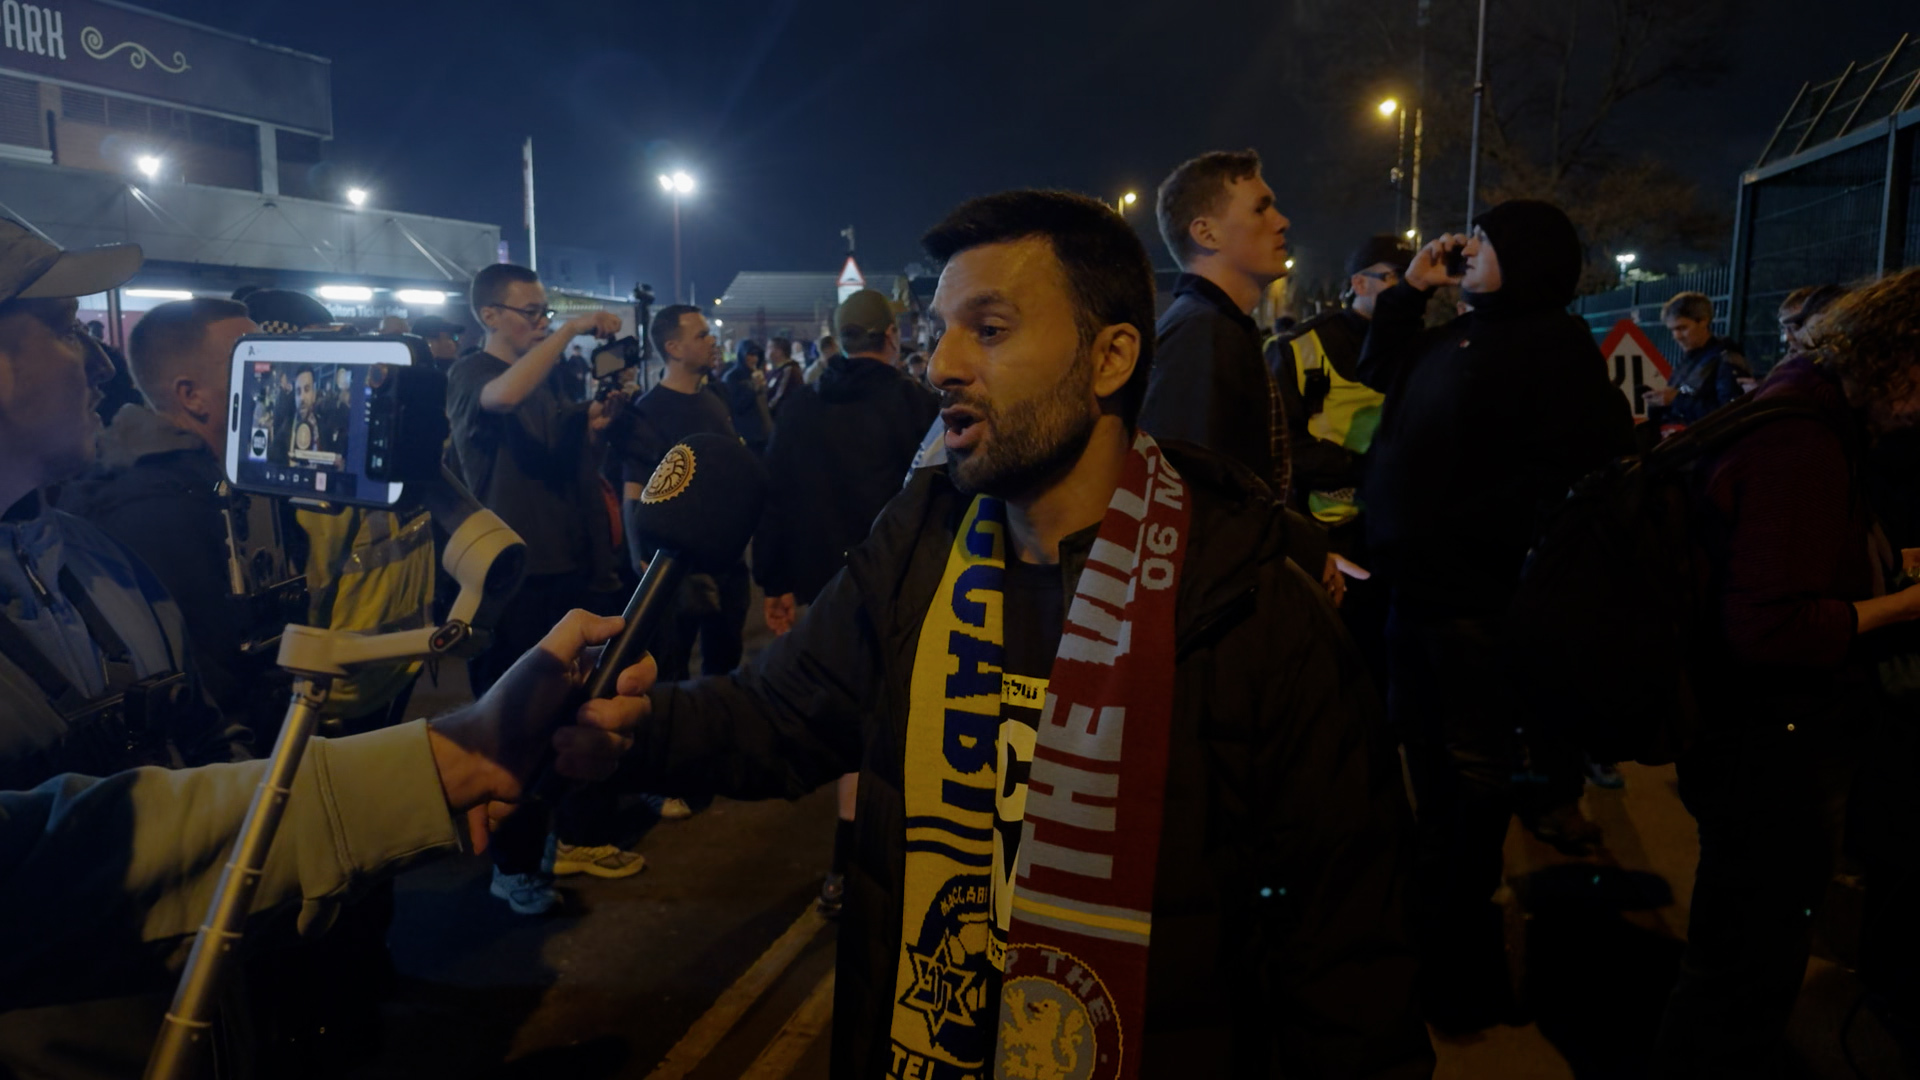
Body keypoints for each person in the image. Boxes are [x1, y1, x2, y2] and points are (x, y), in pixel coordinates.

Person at [612, 190, 1429, 1078]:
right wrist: (629, 730)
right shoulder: (915, 548)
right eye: (939, 331)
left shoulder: (1247, 601)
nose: (942, 367)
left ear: (1111, 357)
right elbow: (777, 715)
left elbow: (1348, 964)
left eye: (989, 331)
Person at [3, 606, 652, 1011]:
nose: (101, 373)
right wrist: (458, 759)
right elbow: (43, 872)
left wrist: (463, 758)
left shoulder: (95, 558)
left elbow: (204, 739)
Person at [1359, 199, 1635, 1032]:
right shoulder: (1450, 337)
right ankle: (1432, 903)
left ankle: (1459, 934)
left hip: (1480, 603)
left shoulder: (1554, 345)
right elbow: (1379, 367)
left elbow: (1593, 471)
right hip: (1412, 594)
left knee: (1474, 771)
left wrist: (1510, 541)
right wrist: (1413, 290)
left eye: (1485, 238)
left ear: (1529, 257)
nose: (1465, 246)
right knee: (1423, 761)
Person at [1652, 267, 1920, 1076]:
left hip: (1755, 737)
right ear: (1896, 358)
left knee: (1739, 953)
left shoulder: (1801, 405)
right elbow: (1768, 625)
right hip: (1772, 744)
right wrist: (1905, 607)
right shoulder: (1802, 439)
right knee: (1745, 967)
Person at [446, 263, 641, 912]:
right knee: (513, 726)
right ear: (490, 316)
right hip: (515, 582)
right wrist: (573, 331)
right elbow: (500, 399)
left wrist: (596, 415)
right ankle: (512, 865)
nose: (541, 322)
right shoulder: (473, 374)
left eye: (544, 312)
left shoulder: (545, 376)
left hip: (567, 568)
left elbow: (564, 444)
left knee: (569, 714)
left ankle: (563, 839)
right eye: (530, 312)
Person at [753, 287, 938, 917]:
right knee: (896, 730)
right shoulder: (914, 404)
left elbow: (774, 495)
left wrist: (775, 583)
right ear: (890, 336)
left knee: (856, 728)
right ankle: (872, 867)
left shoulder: (803, 405)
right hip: (901, 590)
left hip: (824, 595)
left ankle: (846, 865)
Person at [59, 299, 280, 734]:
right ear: (191, 395)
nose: (279, 380)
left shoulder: (217, 477)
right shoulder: (155, 511)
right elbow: (214, 682)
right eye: (257, 364)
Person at [1138, 149, 1337, 602]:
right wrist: (1302, 553)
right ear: (1205, 232)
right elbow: (1201, 508)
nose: (1282, 221)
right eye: (1261, 207)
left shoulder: (1217, 327)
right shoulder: (1200, 337)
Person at [1271, 235, 1411, 686]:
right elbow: (1283, 445)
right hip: (1326, 534)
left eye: (1411, 278)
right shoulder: (1299, 348)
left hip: (1392, 533)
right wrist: (1367, 469)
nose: (1404, 287)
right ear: (1358, 282)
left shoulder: (1418, 348)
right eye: (1392, 277)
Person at [619, 304, 746, 684]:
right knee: (670, 668)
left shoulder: (714, 399)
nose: (713, 342)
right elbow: (634, 489)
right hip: (678, 568)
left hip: (728, 563)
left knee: (724, 666)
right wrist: (637, 553)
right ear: (673, 347)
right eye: (702, 335)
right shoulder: (648, 411)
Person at [1647, 292, 1750, 427]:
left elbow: (1730, 413)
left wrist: (1677, 400)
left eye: (1682, 328)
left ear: (1703, 321)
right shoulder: (1690, 359)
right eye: (1672, 330)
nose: (1676, 336)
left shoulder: (1726, 358)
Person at [722, 338, 775, 456]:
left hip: (764, 432)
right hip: (747, 435)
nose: (754, 359)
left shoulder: (756, 374)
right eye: (750, 355)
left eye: (756, 355)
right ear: (742, 355)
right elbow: (735, 405)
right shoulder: (732, 377)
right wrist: (753, 389)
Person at [763, 336, 804, 416]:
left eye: (769, 348)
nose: (766, 351)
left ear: (779, 352)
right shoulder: (775, 371)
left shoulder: (789, 370)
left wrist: (765, 410)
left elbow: (779, 396)